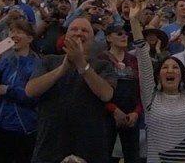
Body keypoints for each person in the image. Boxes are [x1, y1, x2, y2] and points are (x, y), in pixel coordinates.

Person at [24, 16, 118, 163]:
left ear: (92, 40)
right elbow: (30, 90)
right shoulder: (48, 60)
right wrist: (62, 69)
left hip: (90, 148)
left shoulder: (103, 66)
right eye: (74, 29)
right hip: (50, 146)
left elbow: (106, 94)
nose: (79, 33)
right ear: (66, 36)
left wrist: (81, 63)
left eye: (85, 30)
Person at [130, 0, 185, 163]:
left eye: (175, 67)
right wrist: (134, 21)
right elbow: (143, 58)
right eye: (165, 68)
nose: (170, 70)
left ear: (182, 75)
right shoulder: (150, 97)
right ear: (158, 75)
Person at [0, 18, 41, 163]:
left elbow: (33, 97)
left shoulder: (37, 64)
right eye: (12, 31)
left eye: (19, 32)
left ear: (29, 38)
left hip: (23, 127)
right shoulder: (4, 60)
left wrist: (9, 90)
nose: (14, 35)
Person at [102, 21, 144, 163]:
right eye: (119, 33)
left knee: (133, 156)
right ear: (108, 38)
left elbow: (140, 89)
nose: (124, 36)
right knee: (105, 155)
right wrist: (113, 109)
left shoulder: (133, 60)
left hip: (131, 115)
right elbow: (97, 90)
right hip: (106, 115)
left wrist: (137, 112)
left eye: (126, 34)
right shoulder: (101, 59)